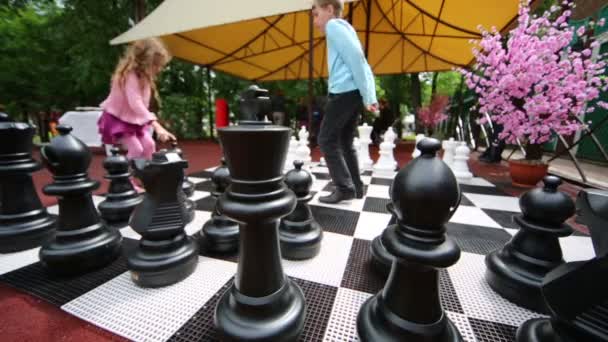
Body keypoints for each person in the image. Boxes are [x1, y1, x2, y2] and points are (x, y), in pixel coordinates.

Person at [312, 0, 378, 204]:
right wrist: (369, 95)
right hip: (354, 92)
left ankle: (344, 187)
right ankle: (356, 188)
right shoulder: (348, 29)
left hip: (343, 92)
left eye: (316, 14)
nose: (315, 21)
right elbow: (363, 62)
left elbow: (357, 59)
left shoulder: (333, 26)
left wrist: (369, 96)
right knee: (344, 141)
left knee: (325, 139)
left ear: (329, 9)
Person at [98, 38, 176, 190]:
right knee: (136, 149)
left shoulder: (145, 77)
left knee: (150, 144)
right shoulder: (129, 75)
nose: (158, 69)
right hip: (118, 119)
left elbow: (142, 106)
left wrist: (148, 122)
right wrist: (158, 127)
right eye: (155, 65)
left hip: (134, 120)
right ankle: (125, 180)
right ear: (145, 61)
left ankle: (148, 177)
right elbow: (136, 103)